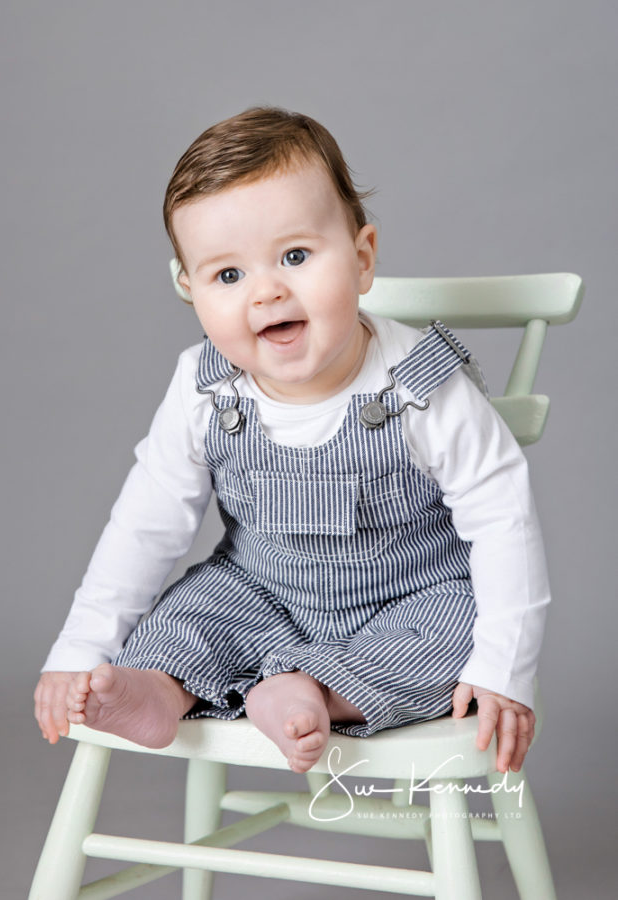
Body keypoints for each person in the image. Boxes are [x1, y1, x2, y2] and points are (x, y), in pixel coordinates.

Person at [34, 107, 549, 774]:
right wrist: (79, 651)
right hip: (259, 593)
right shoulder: (206, 387)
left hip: (408, 601)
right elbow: (145, 526)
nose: (267, 291)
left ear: (362, 259)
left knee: (458, 639)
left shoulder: (422, 383)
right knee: (185, 614)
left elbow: (503, 520)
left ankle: (310, 692)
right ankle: (156, 688)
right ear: (189, 290)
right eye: (228, 275)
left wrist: (505, 666)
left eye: (296, 256)